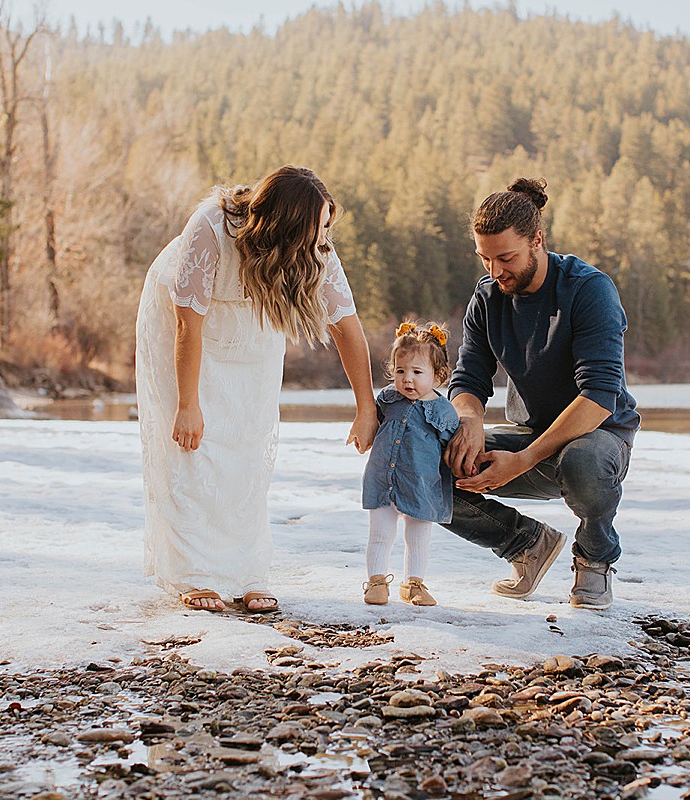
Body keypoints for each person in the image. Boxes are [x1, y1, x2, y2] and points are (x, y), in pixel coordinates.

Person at [135, 165, 378, 613]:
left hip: (253, 322)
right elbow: (188, 324)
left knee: (248, 441)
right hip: (182, 327)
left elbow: (346, 326)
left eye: (327, 227)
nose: (325, 240)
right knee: (193, 447)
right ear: (287, 225)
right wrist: (187, 404)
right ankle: (195, 573)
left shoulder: (316, 248)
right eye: (318, 228)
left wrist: (366, 407)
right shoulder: (212, 227)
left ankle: (246, 572)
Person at [443, 177, 640, 610]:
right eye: (485, 258)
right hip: (527, 435)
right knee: (421, 458)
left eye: (506, 258)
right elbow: (469, 379)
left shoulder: (589, 290)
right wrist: (469, 422)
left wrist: (525, 460)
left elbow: (599, 396)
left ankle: (594, 558)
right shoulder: (488, 297)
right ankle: (526, 544)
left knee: (583, 460)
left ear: (537, 240)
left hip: (598, 437)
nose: (495, 271)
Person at [361, 322, 459, 607]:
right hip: (382, 479)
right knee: (380, 534)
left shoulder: (443, 411)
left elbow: (451, 448)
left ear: (437, 375)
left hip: (420, 484)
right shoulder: (388, 400)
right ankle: (376, 581)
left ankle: (414, 583)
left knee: (418, 536)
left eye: (417, 372)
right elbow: (372, 423)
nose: (407, 380)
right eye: (400, 371)